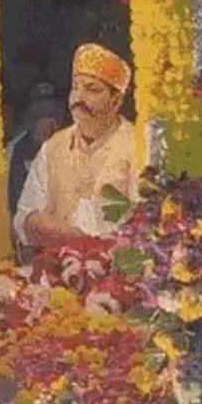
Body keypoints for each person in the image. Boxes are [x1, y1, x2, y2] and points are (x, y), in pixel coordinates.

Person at [14, 43, 137, 250]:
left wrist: (86, 245)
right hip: (57, 265)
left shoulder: (137, 146)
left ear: (116, 101)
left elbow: (144, 228)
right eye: (75, 87)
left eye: (92, 90)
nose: (78, 98)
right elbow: (26, 217)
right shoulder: (53, 147)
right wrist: (41, 226)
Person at [7, 95, 64, 253]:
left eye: (54, 120)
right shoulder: (17, 149)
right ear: (34, 123)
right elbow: (11, 191)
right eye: (45, 120)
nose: (51, 127)